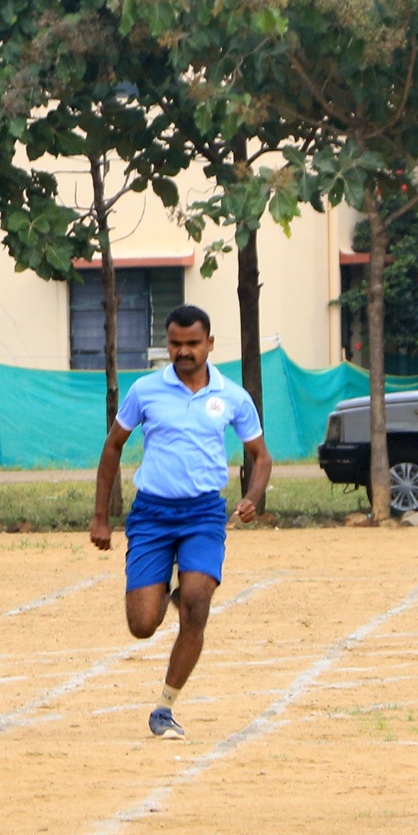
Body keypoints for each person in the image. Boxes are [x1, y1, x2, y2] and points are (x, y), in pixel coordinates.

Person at [88, 304, 273, 740]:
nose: (184, 351)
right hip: (151, 514)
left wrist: (251, 497)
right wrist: (101, 516)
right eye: (175, 343)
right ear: (166, 344)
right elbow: (113, 447)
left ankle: (165, 708)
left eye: (193, 343)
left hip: (204, 514)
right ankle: (174, 594)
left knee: (197, 604)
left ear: (210, 344)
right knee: (142, 625)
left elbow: (260, 456)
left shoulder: (232, 396)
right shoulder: (146, 390)